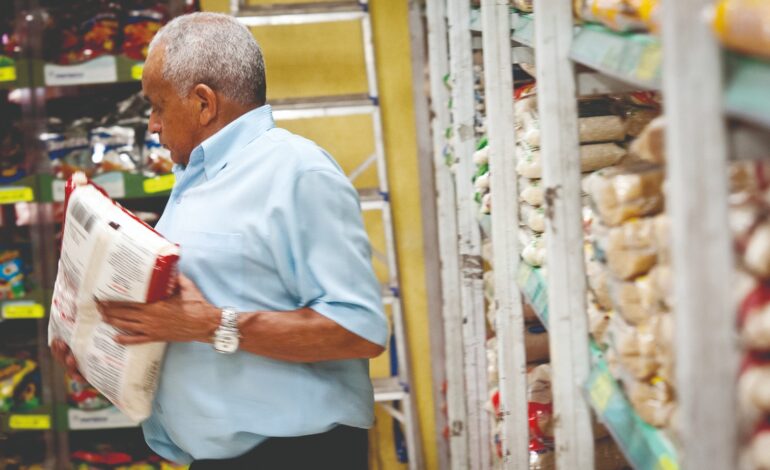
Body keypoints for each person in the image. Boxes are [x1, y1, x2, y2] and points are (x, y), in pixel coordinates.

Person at [50, 12, 389, 469]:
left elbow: (358, 331)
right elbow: (185, 324)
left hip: (297, 456)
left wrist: (211, 325)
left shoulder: (297, 172)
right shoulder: (194, 179)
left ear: (203, 103)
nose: (152, 125)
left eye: (158, 106)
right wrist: (98, 350)